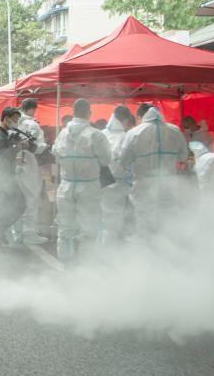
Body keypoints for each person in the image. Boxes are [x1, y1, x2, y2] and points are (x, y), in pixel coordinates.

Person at [52, 99, 112, 262]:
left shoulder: (62, 133)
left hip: (66, 185)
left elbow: (56, 154)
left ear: (73, 112)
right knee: (89, 227)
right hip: (88, 186)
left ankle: (64, 263)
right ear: (88, 113)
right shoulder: (95, 134)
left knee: (65, 227)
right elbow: (107, 159)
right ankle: (86, 266)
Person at [119, 103, 189, 236]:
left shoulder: (134, 133)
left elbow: (124, 161)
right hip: (169, 184)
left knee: (145, 222)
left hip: (144, 185)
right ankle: (168, 252)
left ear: (140, 117)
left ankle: (147, 254)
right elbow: (184, 156)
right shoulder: (174, 130)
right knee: (167, 220)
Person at [0, 107, 29, 250]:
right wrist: (18, 146)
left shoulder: (1, 133)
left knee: (2, 208)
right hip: (1, 178)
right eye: (15, 120)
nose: (16, 123)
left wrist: (15, 161)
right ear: (6, 119)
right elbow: (1, 157)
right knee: (20, 204)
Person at [15, 98, 48, 245]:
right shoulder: (32, 125)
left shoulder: (13, 123)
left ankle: (17, 232)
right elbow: (39, 147)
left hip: (13, 163)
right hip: (28, 162)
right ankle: (29, 233)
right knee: (32, 198)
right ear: (32, 109)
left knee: (17, 198)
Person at [102, 105, 135, 242]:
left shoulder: (102, 133)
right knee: (113, 222)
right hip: (117, 185)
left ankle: (98, 251)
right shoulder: (124, 136)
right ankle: (109, 255)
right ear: (125, 119)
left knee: (102, 219)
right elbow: (125, 161)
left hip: (102, 182)